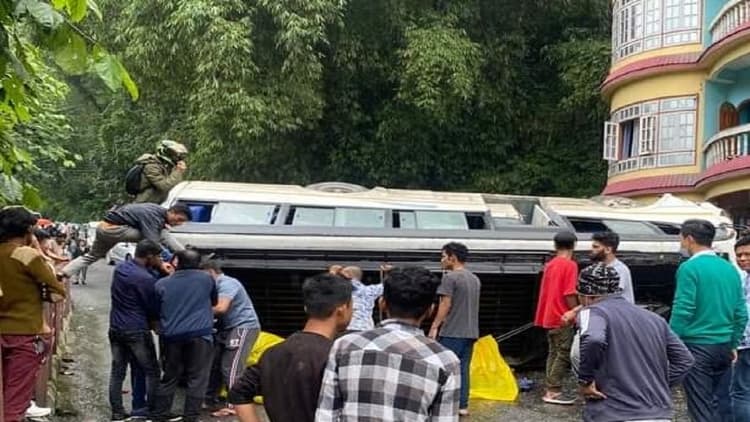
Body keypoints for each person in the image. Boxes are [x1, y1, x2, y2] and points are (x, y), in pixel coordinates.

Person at [317, 267, 460, 421]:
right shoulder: (445, 361)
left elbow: (326, 415)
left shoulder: (344, 346)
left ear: (382, 304)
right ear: (430, 310)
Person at [576, 262, 694, 421]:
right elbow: (685, 360)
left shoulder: (592, 312)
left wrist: (585, 381)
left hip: (615, 412)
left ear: (586, 296)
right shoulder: (655, 319)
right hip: (658, 414)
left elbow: (593, 339)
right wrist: (655, 385)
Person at [228, 273, 353, 422]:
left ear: (306, 308)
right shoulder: (338, 356)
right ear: (342, 309)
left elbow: (238, 392)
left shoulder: (272, 353)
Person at [671, 219, 748, 422]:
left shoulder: (689, 268)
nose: (681, 244)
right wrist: (733, 342)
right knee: (723, 405)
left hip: (697, 345)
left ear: (689, 239)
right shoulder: (730, 268)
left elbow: (683, 309)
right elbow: (741, 312)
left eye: (681, 239)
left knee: (701, 409)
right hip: (724, 345)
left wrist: (669, 342)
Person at [0, 206, 66, 422]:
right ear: (28, 230)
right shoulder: (25, 254)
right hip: (26, 333)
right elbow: (57, 291)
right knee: (15, 399)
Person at [151, 248, 217, 422]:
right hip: (201, 335)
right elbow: (214, 301)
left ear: (176, 263)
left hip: (172, 337)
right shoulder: (206, 279)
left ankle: (160, 414)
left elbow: (155, 311)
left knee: (170, 376)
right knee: (198, 377)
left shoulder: (161, 284)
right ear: (198, 264)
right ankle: (190, 417)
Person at [108, 240, 165, 422]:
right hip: (136, 329)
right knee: (152, 371)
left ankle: (117, 412)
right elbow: (152, 307)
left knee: (118, 372)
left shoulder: (121, 269)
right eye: (158, 256)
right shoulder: (146, 279)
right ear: (149, 256)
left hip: (116, 327)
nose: (160, 259)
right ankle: (151, 410)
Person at [62, 203, 191, 280]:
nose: (178, 224)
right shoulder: (154, 216)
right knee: (158, 236)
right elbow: (152, 243)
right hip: (114, 230)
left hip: (102, 227)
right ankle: (187, 255)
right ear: (172, 212)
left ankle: (64, 272)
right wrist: (162, 263)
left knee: (92, 256)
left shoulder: (155, 210)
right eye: (179, 219)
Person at [201, 260, 262, 418]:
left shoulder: (227, 283)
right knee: (215, 364)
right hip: (227, 328)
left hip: (243, 326)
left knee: (232, 366)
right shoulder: (212, 287)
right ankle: (209, 399)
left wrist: (196, 311)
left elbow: (221, 308)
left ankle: (235, 404)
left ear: (210, 272)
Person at [429, 242, 480, 415]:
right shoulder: (474, 279)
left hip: (452, 331)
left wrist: (434, 326)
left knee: (444, 368)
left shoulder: (450, 278)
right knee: (463, 369)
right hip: (471, 331)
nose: (441, 260)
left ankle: (440, 405)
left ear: (453, 257)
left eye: (443, 256)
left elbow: (445, 304)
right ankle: (462, 405)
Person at [534, 231, 579, 405]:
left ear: (555, 245)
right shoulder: (570, 265)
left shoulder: (550, 264)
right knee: (563, 354)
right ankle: (553, 391)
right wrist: (575, 310)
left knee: (553, 353)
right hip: (562, 316)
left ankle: (550, 387)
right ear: (574, 245)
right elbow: (569, 293)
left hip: (548, 315)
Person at [132, 140, 188, 204]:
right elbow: (164, 186)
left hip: (157, 203)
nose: (175, 157)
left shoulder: (165, 165)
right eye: (172, 153)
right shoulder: (151, 166)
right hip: (145, 203)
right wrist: (178, 171)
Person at [590, 231, 634, 303]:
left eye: (596, 247)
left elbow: (609, 296)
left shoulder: (620, 269)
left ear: (608, 250)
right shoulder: (597, 268)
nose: (592, 249)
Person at [733, 236, 750, 421]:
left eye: (747, 254)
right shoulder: (744, 278)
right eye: (739, 255)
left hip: (746, 344)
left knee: (741, 392)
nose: (742, 258)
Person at [342, 266, 383, 332]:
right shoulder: (370, 290)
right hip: (367, 329)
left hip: (350, 328)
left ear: (348, 275)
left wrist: (333, 273)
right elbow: (389, 284)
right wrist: (392, 271)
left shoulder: (344, 288)